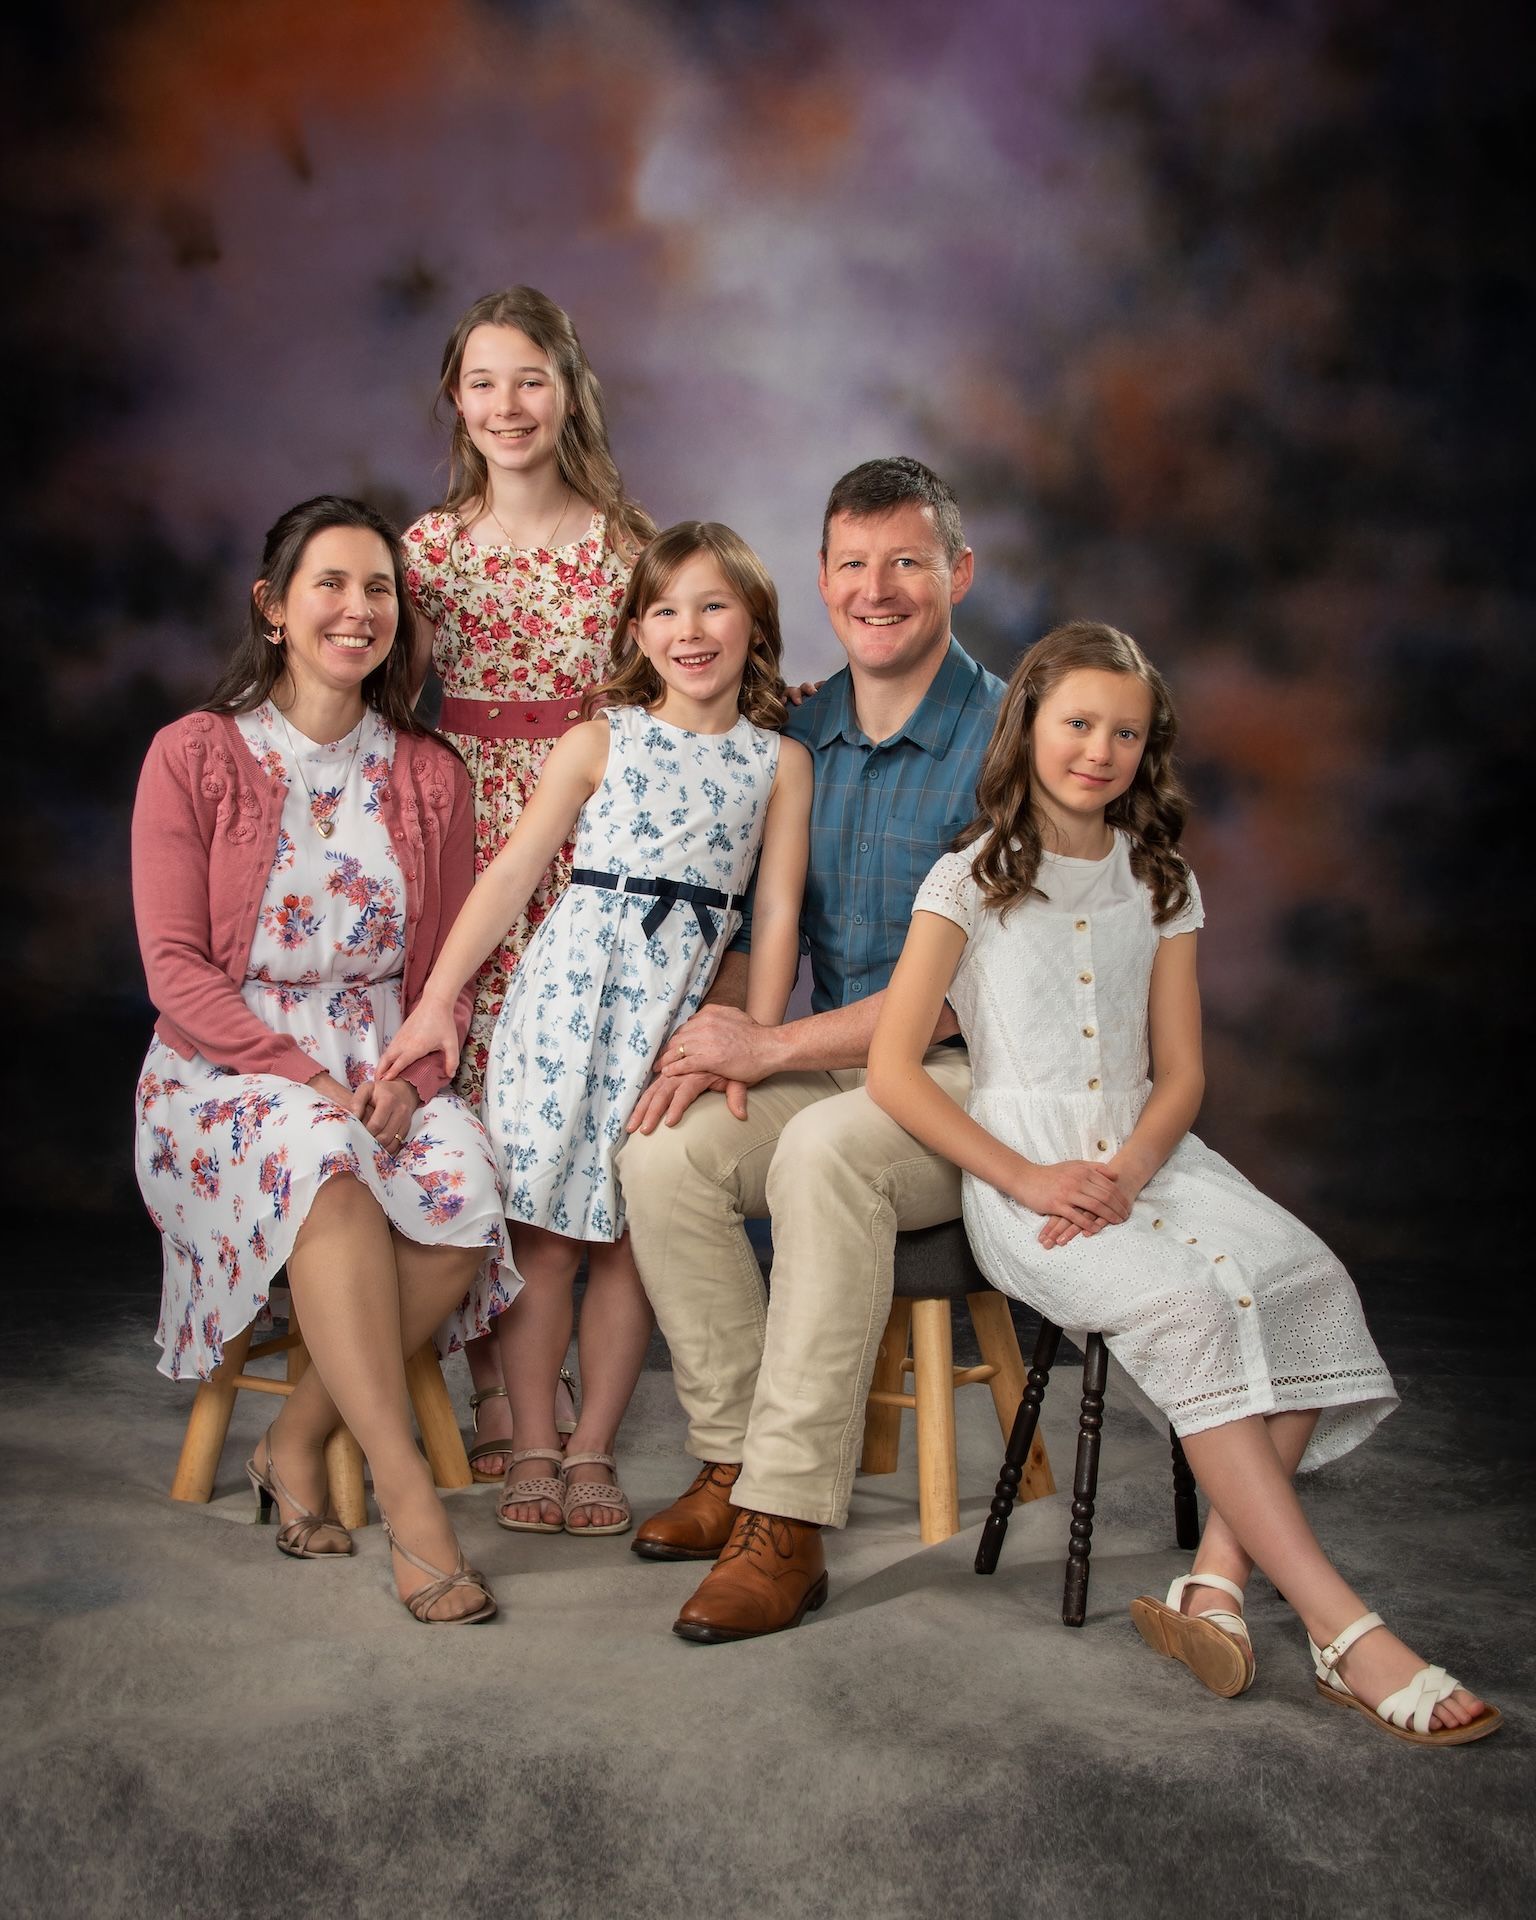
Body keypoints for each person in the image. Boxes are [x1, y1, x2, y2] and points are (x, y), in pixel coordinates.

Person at [866, 620, 1500, 1747]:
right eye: (1078, 724)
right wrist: (1033, 1178)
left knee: (1306, 1279)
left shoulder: (1160, 878)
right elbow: (893, 1068)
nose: (1099, 751)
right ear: (1028, 726)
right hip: (1023, 1179)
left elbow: (1185, 1071)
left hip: (1152, 1158)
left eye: (1126, 733)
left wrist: (1133, 1166)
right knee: (1191, 1308)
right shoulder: (970, 878)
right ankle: (1344, 1631)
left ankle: (1213, 1582)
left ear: (1148, 747)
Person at [617, 456, 1004, 1642]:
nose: (876, 589)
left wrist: (771, 1043)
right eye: (852, 564)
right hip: (830, 1064)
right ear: (824, 578)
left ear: (959, 574)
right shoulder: (794, 732)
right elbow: (756, 929)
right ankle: (735, 1462)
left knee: (828, 1151)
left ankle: (786, 1522)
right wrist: (710, 1039)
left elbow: (962, 999)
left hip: (978, 1092)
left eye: (907, 562)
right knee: (664, 1151)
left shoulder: (1013, 739)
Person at [379, 522, 811, 1538]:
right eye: (664, 610)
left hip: (677, 1017)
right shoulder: (600, 739)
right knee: (545, 1235)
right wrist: (439, 999)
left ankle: (593, 1450)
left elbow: (778, 911)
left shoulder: (778, 761)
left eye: (713, 606)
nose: (688, 629)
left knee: (628, 1240)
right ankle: (535, 1439)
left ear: (755, 622)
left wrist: (750, 1039)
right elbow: (510, 876)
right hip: (568, 1005)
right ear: (637, 631)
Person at [133, 495, 515, 1624]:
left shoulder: (431, 775)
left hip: (380, 1060)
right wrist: (307, 1080)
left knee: (467, 1186)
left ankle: (294, 1443)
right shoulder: (195, 754)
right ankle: (412, 1502)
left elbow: (443, 976)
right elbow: (175, 970)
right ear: (273, 607)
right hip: (220, 1076)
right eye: (331, 585)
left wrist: (411, 1079)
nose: (358, 609)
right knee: (323, 1156)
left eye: (379, 589)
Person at [403, 286, 655, 1478]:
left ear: (570, 393)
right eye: (484, 382)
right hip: (466, 841)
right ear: (457, 401)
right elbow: (378, 699)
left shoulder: (626, 547)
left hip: (588, 844)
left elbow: (676, 693)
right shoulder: (426, 552)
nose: (508, 405)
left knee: (568, 1100)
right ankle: (498, 1378)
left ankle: (550, 1369)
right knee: (480, 1097)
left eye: (531, 380)